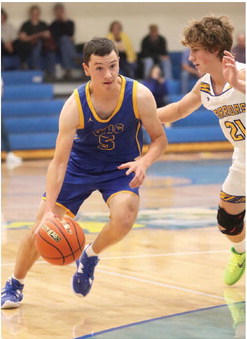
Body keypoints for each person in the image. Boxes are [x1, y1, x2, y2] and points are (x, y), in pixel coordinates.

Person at [1, 37, 167, 308]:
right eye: (100, 68)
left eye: (113, 65)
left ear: (119, 63)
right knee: (40, 226)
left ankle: (89, 256)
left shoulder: (139, 95)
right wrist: (49, 210)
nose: (109, 74)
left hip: (120, 167)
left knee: (125, 216)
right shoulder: (74, 105)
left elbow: (159, 139)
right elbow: (58, 162)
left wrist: (144, 162)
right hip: (79, 167)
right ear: (86, 69)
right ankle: (14, 284)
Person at [158, 16, 245, 286]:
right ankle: (241, 252)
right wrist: (136, 117)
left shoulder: (241, 73)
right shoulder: (205, 85)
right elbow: (179, 109)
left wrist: (240, 86)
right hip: (243, 156)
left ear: (214, 49)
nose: (191, 56)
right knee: (227, 221)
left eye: (195, 50)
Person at [49, 3, 77, 80]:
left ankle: (68, 70)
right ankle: (73, 57)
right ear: (55, 12)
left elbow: (71, 33)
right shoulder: (53, 24)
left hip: (67, 45)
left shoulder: (70, 23)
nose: (59, 13)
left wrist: (64, 22)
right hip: (58, 44)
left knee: (65, 43)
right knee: (64, 39)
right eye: (57, 11)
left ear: (63, 11)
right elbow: (55, 36)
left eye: (61, 11)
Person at [18, 5, 51, 70]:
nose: (35, 14)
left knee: (40, 43)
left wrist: (35, 36)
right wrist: (38, 35)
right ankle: (34, 66)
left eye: (37, 13)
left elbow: (48, 35)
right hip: (29, 45)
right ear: (31, 13)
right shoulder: (26, 24)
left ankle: (48, 72)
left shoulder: (43, 24)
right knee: (36, 43)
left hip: (43, 46)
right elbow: (22, 38)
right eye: (34, 13)